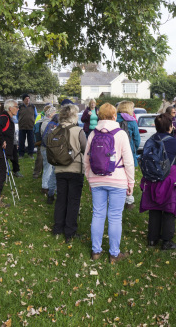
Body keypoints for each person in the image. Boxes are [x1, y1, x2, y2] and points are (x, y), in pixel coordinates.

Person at [84, 103, 135, 263]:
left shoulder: (93, 133)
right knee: (114, 217)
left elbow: (86, 159)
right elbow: (129, 161)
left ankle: (96, 251)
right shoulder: (120, 134)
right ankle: (114, 254)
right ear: (114, 116)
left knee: (98, 215)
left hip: (97, 179)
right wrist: (131, 182)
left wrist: (89, 178)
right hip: (118, 179)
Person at [139, 113, 176, 249]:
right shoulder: (175, 142)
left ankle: (152, 239)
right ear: (170, 127)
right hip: (169, 178)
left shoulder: (150, 140)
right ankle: (167, 241)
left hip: (152, 177)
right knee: (169, 209)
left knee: (154, 209)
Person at [52, 104, 88, 242]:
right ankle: (70, 232)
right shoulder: (78, 130)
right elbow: (85, 149)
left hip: (59, 168)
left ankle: (57, 228)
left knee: (61, 199)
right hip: (75, 169)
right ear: (74, 115)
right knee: (73, 201)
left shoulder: (55, 130)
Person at [0, 99, 18, 208]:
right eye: (16, 106)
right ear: (10, 108)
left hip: (2, 151)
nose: (18, 108)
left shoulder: (6, 118)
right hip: (1, 151)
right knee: (1, 175)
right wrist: (2, 141)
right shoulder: (4, 118)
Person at [117, 101, 141, 210]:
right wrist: (134, 150)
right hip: (128, 151)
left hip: (114, 152)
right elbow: (137, 139)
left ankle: (116, 198)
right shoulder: (132, 121)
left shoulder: (114, 119)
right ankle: (129, 200)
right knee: (129, 175)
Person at [40, 105, 59, 203]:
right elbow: (45, 137)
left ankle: (46, 185)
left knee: (48, 167)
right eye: (54, 112)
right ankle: (45, 187)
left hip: (44, 147)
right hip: (46, 148)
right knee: (48, 168)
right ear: (51, 113)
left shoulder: (46, 122)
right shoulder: (48, 123)